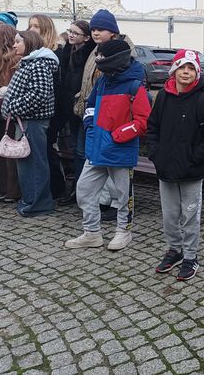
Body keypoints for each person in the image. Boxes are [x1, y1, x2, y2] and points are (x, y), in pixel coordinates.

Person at [65, 39, 150, 251]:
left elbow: (143, 121)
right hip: (96, 149)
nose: (99, 60)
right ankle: (92, 233)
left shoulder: (134, 86)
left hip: (120, 151)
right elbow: (90, 105)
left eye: (103, 57)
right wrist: (90, 126)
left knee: (123, 196)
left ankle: (124, 231)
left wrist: (118, 135)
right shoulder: (103, 82)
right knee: (84, 190)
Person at [147, 49, 204, 280]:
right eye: (182, 67)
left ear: (197, 72)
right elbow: (153, 128)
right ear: (174, 70)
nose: (186, 72)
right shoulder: (164, 97)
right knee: (170, 215)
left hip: (191, 170)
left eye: (191, 68)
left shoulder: (203, 98)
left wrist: (194, 157)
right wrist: (156, 154)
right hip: (166, 168)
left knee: (190, 215)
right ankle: (175, 250)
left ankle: (191, 256)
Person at [74, 9, 136, 221]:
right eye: (93, 29)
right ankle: (98, 211)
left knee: (116, 174)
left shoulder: (124, 51)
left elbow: (124, 86)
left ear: (113, 31)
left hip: (115, 122)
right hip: (95, 116)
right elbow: (91, 81)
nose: (95, 32)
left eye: (100, 29)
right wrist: (88, 116)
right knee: (92, 168)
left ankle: (121, 218)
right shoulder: (95, 50)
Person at [0, 30, 59, 216]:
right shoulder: (30, 63)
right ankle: (30, 200)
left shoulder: (38, 65)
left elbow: (38, 95)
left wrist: (12, 107)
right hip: (25, 120)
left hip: (33, 121)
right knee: (26, 163)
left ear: (29, 43)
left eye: (18, 42)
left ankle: (39, 204)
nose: (14, 45)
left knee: (34, 163)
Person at [28, 14, 66, 199]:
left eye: (36, 26)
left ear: (45, 29)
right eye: (30, 26)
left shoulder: (56, 52)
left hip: (52, 109)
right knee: (43, 151)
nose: (32, 30)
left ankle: (56, 188)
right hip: (40, 110)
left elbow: (57, 87)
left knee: (47, 150)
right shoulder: (34, 52)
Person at [57, 21, 95, 204]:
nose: (71, 35)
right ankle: (77, 190)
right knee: (75, 150)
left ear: (86, 38)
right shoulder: (67, 51)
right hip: (69, 107)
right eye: (69, 31)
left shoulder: (89, 54)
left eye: (75, 33)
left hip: (84, 107)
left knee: (81, 151)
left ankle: (82, 191)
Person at [0, 25, 22, 203]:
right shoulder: (0, 60)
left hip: (9, 112)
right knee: (3, 152)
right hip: (0, 112)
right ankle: (8, 189)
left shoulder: (12, 61)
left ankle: (12, 190)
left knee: (9, 151)